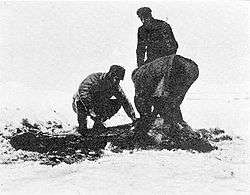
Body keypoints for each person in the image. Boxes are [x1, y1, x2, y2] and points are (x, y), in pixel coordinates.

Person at [72, 65, 137, 136]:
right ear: (110, 75)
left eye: (119, 80)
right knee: (83, 128)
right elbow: (83, 94)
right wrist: (91, 110)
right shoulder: (93, 79)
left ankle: (98, 123)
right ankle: (82, 128)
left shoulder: (115, 87)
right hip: (82, 103)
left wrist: (133, 118)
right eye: (116, 79)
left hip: (97, 104)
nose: (117, 82)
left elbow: (124, 101)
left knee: (117, 103)